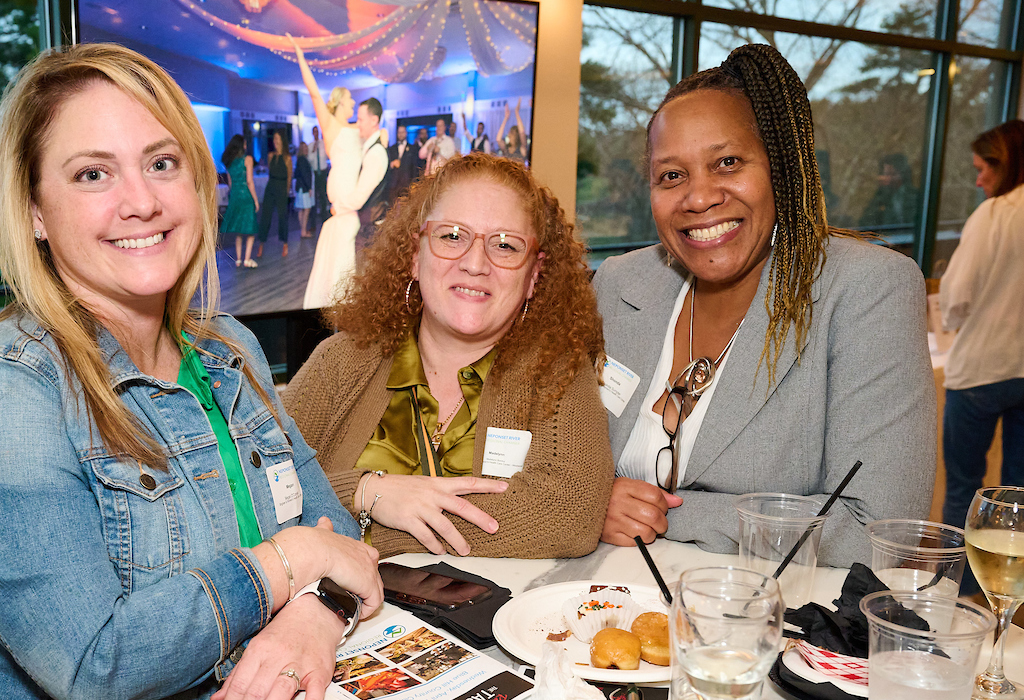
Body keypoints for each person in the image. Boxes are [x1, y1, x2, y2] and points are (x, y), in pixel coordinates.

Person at [0, 43, 381, 700]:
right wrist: (292, 561)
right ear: (34, 212)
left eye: (162, 163)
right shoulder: (4, 395)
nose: (142, 201)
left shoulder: (230, 350)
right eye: (92, 174)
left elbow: (340, 539)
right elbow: (95, 664)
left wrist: (317, 614)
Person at [594, 43, 935, 568]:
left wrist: (655, 512)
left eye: (727, 163)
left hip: (760, 610)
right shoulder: (619, 283)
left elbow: (876, 528)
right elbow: (548, 453)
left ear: (779, 168)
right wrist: (584, 496)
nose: (699, 197)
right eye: (672, 175)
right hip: (592, 600)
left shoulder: (866, 289)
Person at [283, 153, 613, 559]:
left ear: (533, 274)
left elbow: (568, 515)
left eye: (505, 245)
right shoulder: (340, 362)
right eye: (452, 236)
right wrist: (367, 490)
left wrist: (356, 533)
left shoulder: (557, 371)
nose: (475, 264)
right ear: (414, 255)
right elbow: (258, 493)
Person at [938, 120, 1024, 538]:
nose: (977, 181)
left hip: (981, 369)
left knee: (963, 488)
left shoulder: (993, 215)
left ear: (1004, 164)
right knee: (1019, 494)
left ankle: (956, 576)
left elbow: (955, 296)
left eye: (982, 169)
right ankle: (1008, 575)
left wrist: (953, 323)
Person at [291, 36, 389, 309]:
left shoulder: (358, 129)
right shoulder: (330, 125)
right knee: (334, 273)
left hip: (353, 207)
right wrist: (300, 56)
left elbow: (375, 131)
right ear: (339, 102)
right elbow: (313, 92)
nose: (353, 103)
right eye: (349, 99)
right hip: (341, 206)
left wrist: (383, 134)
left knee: (348, 271)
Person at [220, 134, 260, 267]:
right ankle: (247, 259)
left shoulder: (230, 162)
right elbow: (249, 181)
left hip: (235, 196)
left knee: (239, 230)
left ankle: (238, 259)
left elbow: (230, 183)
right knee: (250, 229)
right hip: (246, 197)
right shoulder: (248, 159)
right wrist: (255, 200)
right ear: (242, 145)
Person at [257, 129, 292, 258]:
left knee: (283, 216)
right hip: (271, 186)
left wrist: (286, 192)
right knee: (265, 215)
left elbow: (289, 177)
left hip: (282, 187)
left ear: (282, 141)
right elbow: (270, 171)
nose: (275, 141)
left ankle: (285, 243)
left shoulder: (287, 158)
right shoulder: (270, 156)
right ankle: (261, 244)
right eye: (274, 139)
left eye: (277, 139)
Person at [388, 123, 418, 202]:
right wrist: (392, 164)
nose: (401, 134)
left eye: (402, 132)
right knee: (392, 206)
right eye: (399, 132)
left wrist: (414, 184)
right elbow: (386, 166)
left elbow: (414, 168)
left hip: (406, 184)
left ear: (406, 133)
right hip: (393, 185)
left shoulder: (412, 149)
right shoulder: (391, 149)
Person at [307, 125, 328, 236]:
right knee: (314, 200)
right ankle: (313, 224)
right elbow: (309, 160)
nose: (316, 133)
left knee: (324, 197)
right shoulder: (310, 146)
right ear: (312, 133)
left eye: (317, 131)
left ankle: (325, 221)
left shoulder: (324, 144)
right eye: (314, 132)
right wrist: (314, 150)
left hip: (323, 173)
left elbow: (327, 156)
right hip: (315, 173)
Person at [294, 140, 314, 240]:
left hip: (300, 187)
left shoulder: (300, 160)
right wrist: (309, 187)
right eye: (305, 148)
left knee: (302, 209)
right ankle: (303, 230)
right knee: (306, 208)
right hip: (304, 188)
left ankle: (303, 229)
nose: (306, 149)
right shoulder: (303, 160)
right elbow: (305, 175)